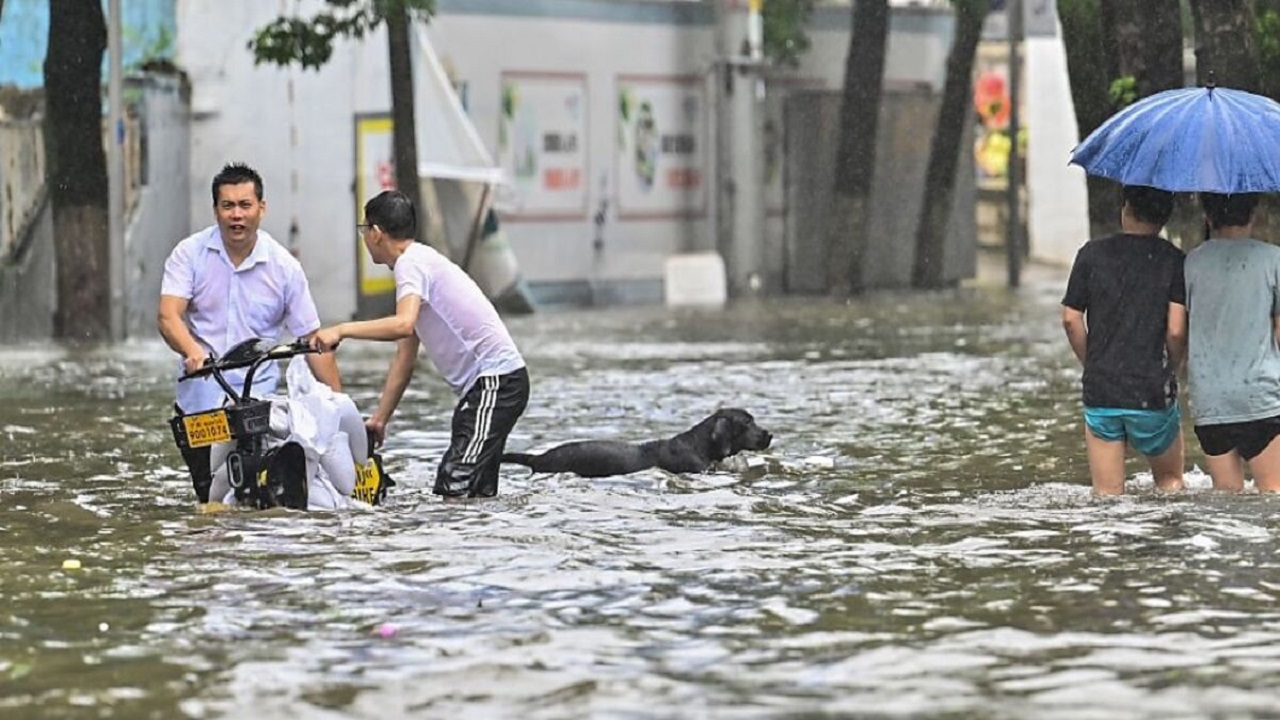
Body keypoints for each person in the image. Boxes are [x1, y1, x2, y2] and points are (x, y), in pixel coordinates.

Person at [311, 190, 529, 500]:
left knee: (456, 482)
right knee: (475, 492)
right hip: (489, 388)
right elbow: (405, 357)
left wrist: (342, 330)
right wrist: (381, 418)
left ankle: (450, 544)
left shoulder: (410, 264)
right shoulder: (420, 262)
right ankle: (482, 542)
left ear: (375, 233)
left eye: (364, 230)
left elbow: (402, 324)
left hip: (496, 383)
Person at [158, 162, 342, 502]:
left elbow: (313, 342)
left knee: (260, 496)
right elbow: (168, 316)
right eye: (228, 206)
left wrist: (337, 408)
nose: (236, 215)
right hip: (199, 406)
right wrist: (192, 351)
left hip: (257, 406)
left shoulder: (284, 267)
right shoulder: (189, 254)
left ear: (262, 208)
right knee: (209, 501)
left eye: (245, 205)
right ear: (215, 210)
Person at [1061, 184, 1187, 495]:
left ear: (1125, 208)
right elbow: (1175, 330)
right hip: (1151, 390)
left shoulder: (1090, 254)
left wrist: (1092, 363)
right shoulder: (1174, 260)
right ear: (1165, 215)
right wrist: (1173, 366)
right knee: (1170, 483)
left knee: (1107, 497)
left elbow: (1070, 318)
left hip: (1102, 390)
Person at [1184, 192, 1280, 492]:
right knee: (1273, 496)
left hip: (1211, 401)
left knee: (1228, 503)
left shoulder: (1191, 262)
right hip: (1260, 396)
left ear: (1208, 217)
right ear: (1254, 214)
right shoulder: (1274, 259)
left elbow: (1179, 328)